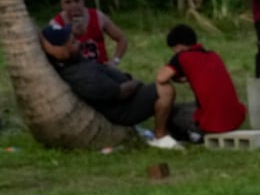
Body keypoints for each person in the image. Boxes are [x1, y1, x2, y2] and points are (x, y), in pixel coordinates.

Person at [38, 24, 169, 132]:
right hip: (123, 109)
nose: (78, 43)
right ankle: (160, 136)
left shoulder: (74, 61)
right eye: (73, 42)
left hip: (127, 97)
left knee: (171, 107)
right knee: (165, 90)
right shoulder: (81, 75)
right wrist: (136, 83)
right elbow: (121, 93)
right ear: (61, 51)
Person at [148, 25, 246, 149]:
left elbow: (161, 78)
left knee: (171, 112)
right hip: (235, 119)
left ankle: (189, 137)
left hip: (212, 123)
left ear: (179, 46)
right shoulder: (213, 55)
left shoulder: (182, 56)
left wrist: (175, 75)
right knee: (191, 105)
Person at [51, 0, 127, 66]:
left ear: (83, 1)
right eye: (68, 2)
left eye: (77, 1)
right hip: (75, 71)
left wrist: (115, 61)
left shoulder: (97, 16)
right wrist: (72, 35)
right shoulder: (56, 24)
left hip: (102, 68)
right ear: (62, 5)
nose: (73, 6)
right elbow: (56, 54)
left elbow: (121, 38)